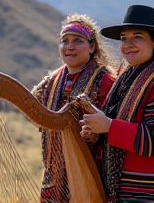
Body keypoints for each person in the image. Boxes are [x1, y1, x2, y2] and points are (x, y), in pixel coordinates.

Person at [78, 4, 154, 202]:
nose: (127, 44)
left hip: (151, 192)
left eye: (137, 37)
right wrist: (98, 132)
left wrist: (109, 126)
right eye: (123, 39)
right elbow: (117, 129)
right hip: (124, 191)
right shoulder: (127, 77)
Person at [31, 14, 116, 203]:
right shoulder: (52, 80)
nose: (69, 47)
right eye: (64, 41)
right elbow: (34, 110)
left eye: (78, 41)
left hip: (91, 174)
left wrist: (95, 135)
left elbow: (116, 124)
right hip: (54, 175)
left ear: (92, 47)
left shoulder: (106, 81)